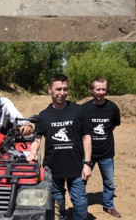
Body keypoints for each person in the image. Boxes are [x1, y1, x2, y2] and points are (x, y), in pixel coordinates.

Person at [28, 75, 92, 220]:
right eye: (58, 89)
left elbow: (87, 137)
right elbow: (37, 138)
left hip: (77, 166)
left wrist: (87, 163)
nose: (62, 93)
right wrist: (33, 152)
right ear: (50, 90)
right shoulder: (44, 115)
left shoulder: (78, 110)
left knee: (81, 205)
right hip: (53, 168)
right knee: (58, 205)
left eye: (65, 89)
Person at [82, 78, 122, 218]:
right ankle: (80, 206)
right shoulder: (84, 108)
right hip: (88, 154)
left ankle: (109, 206)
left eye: (103, 89)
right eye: (98, 89)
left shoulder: (112, 107)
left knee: (109, 182)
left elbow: (113, 125)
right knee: (81, 181)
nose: (101, 92)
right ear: (91, 90)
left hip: (106, 153)